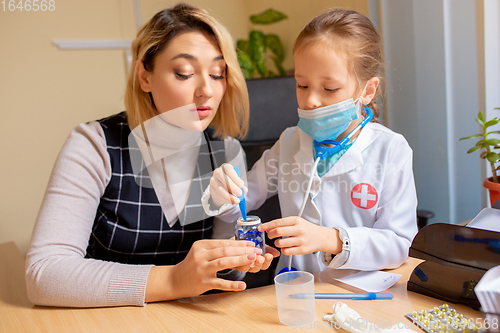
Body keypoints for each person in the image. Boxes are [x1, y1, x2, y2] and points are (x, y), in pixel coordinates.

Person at [25, 4, 278, 308]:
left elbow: (221, 273)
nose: (206, 90)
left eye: (217, 73)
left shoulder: (223, 150)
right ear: (144, 75)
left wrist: (238, 259)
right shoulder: (94, 145)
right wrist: (172, 280)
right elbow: (45, 274)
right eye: (184, 73)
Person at [204, 9, 418, 274]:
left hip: (360, 298)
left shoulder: (390, 150)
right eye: (302, 85)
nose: (311, 100)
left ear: (368, 90)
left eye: (329, 89)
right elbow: (238, 208)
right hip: (295, 291)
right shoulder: (291, 141)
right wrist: (222, 194)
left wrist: (329, 239)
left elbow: (398, 244)